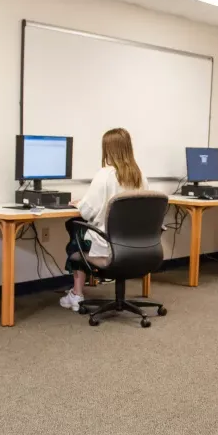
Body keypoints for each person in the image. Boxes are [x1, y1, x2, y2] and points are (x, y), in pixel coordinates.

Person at [59, 128, 145, 311]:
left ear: (107, 149)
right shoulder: (140, 176)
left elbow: (88, 212)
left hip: (109, 245)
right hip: (137, 246)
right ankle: (80, 289)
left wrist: (79, 204)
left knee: (75, 229)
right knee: (79, 231)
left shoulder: (105, 175)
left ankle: (76, 294)